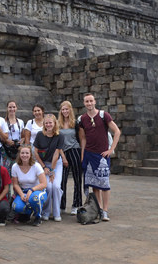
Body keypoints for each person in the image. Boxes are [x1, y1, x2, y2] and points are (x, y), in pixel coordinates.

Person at [78, 93, 121, 222]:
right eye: (86, 101)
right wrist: (82, 154)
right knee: (95, 185)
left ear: (95, 102)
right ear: (84, 103)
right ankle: (99, 208)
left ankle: (105, 210)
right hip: (89, 154)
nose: (89, 103)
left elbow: (117, 131)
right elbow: (83, 138)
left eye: (91, 101)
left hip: (102, 154)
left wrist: (111, 149)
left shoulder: (103, 115)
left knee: (104, 184)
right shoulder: (82, 119)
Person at [34, 114, 64, 221]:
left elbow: (56, 154)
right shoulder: (39, 135)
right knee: (47, 187)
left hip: (56, 164)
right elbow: (36, 153)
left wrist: (52, 171)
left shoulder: (59, 136)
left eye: (50, 122)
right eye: (46, 123)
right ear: (44, 124)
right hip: (43, 163)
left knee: (55, 186)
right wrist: (43, 167)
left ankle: (56, 212)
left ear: (54, 123)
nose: (48, 125)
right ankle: (46, 212)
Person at [11, 145, 47, 226]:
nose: (24, 155)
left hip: (37, 190)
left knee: (35, 199)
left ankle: (38, 216)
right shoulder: (15, 166)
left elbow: (44, 184)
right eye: (22, 153)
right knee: (16, 206)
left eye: (27, 153)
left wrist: (31, 190)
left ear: (30, 154)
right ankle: (28, 212)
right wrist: (21, 194)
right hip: (23, 190)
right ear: (19, 154)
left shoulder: (36, 166)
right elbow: (15, 184)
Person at [58, 100, 83, 215]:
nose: (65, 111)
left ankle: (76, 205)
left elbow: (82, 139)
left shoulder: (76, 123)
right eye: (63, 109)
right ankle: (62, 205)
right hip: (63, 152)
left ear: (70, 110)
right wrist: (62, 156)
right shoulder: (58, 124)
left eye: (67, 109)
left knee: (78, 179)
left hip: (75, 151)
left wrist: (82, 154)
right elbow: (58, 142)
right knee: (62, 180)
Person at [1, 100, 25, 177]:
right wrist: (6, 141)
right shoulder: (3, 122)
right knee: (6, 172)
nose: (12, 109)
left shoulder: (20, 122)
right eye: (10, 107)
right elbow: (0, 135)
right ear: (7, 108)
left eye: (14, 107)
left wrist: (22, 141)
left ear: (16, 108)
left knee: (17, 172)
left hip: (17, 149)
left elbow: (23, 135)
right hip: (6, 149)